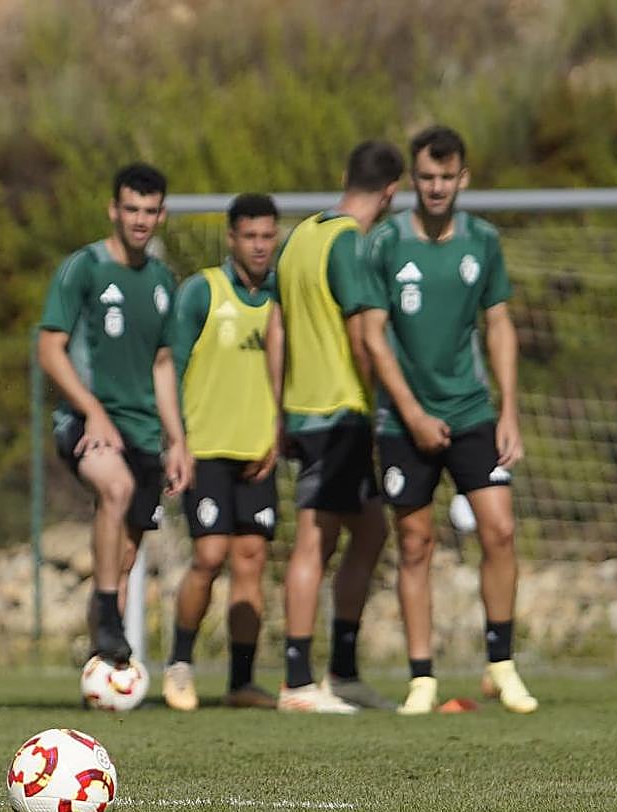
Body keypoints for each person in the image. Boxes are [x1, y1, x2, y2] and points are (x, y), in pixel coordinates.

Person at [363, 125, 538, 715]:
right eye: (427, 177)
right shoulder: (385, 244)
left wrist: (508, 410)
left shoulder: (483, 241)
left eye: (447, 176)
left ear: (463, 177)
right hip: (402, 419)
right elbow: (372, 337)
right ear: (413, 179)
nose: (437, 187)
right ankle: (421, 678)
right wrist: (410, 412)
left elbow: (499, 325)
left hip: (471, 411)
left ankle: (501, 664)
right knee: (414, 542)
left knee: (500, 530)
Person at [37, 163, 191, 669]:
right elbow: (50, 350)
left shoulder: (164, 281)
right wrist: (93, 412)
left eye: (150, 211)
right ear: (114, 210)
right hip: (87, 421)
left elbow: (164, 365)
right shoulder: (84, 268)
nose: (140, 220)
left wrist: (177, 440)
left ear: (161, 215)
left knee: (124, 560)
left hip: (145, 431)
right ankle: (107, 619)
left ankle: (107, 673)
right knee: (115, 488)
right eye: (131, 209)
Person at [274, 140, 404, 713]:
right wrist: (384, 402)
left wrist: (279, 407)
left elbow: (277, 329)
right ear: (393, 191)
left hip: (307, 411)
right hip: (337, 411)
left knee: (371, 531)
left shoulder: (302, 235)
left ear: (344, 176)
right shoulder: (349, 242)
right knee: (314, 541)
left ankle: (344, 670)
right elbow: (361, 337)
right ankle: (298, 682)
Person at [161, 193, 283, 711]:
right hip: (206, 447)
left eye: (267, 236)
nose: (259, 246)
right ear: (231, 239)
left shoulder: (283, 298)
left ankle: (241, 681)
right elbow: (168, 366)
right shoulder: (201, 293)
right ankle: (180, 665)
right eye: (249, 236)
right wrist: (178, 442)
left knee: (251, 560)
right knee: (209, 555)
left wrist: (279, 435)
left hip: (259, 450)